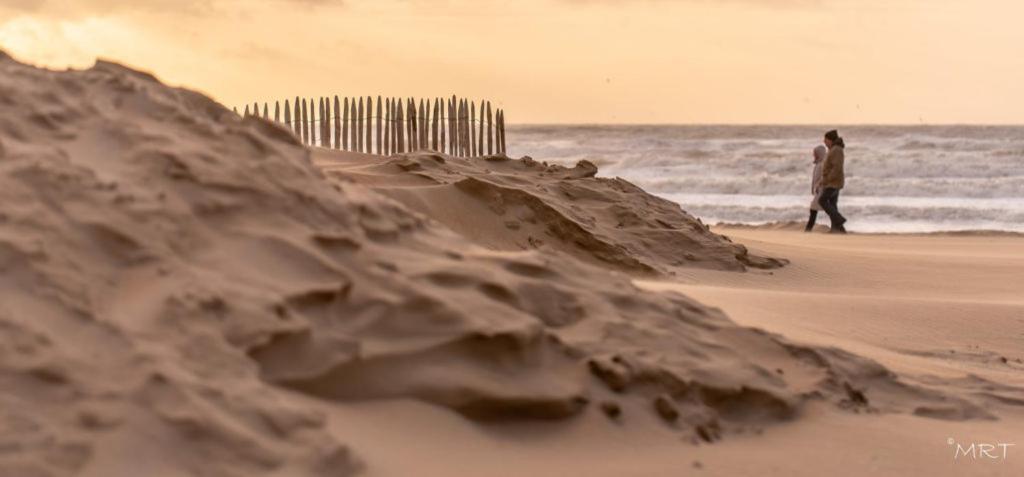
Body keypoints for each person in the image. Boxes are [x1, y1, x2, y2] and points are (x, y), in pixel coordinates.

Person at [818, 129, 847, 233]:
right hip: (832, 182)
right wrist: (822, 181)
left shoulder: (836, 150)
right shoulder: (833, 149)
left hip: (833, 183)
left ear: (830, 140)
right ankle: (838, 229)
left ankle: (839, 220)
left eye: (825, 140)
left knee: (822, 200)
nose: (824, 142)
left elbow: (836, 168)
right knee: (833, 204)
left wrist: (827, 180)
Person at [805, 145, 828, 232]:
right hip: (818, 191)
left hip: (821, 191)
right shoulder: (819, 163)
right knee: (817, 210)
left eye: (815, 153)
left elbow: (825, 175)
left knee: (813, 210)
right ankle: (837, 225)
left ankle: (808, 230)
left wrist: (818, 184)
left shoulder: (823, 163)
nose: (813, 155)